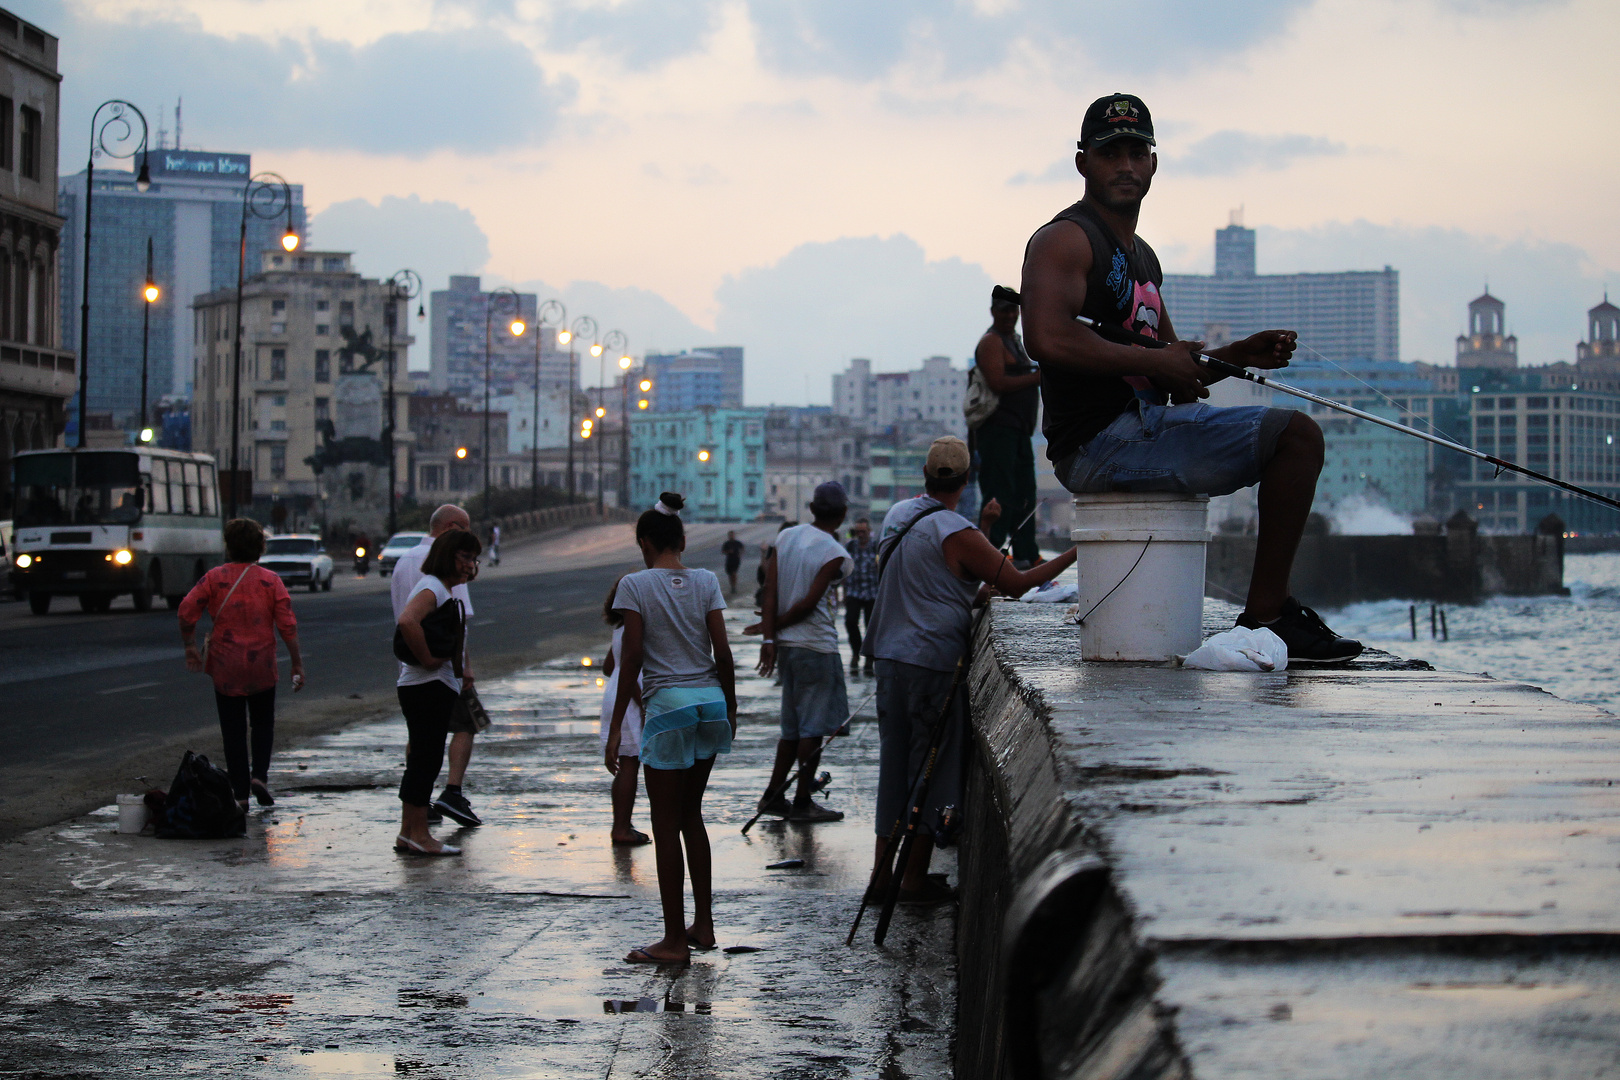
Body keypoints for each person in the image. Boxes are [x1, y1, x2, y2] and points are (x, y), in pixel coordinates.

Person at [1019, 92, 1360, 663]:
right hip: (1098, 442)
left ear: (1154, 163)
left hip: (1146, 424)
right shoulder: (1065, 240)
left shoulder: (1144, 257)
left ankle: (1270, 613)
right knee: (1297, 437)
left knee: (1295, 437)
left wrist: (1238, 354)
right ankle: (1269, 616)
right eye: (1110, 154)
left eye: (1137, 152)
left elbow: (1174, 370)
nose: (1125, 165)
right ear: (1083, 163)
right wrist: (1159, 362)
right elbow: (1046, 337)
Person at [865, 438, 1076, 904]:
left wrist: (974, 578)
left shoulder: (898, 515)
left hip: (889, 658)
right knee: (930, 771)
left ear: (925, 473)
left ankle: (882, 878)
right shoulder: (955, 531)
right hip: (931, 663)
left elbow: (936, 579)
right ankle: (913, 880)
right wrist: (1078, 552)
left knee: (894, 769)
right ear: (966, 480)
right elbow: (1018, 584)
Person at [605, 492, 736, 964]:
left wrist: (619, 726)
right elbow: (722, 653)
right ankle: (703, 924)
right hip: (709, 704)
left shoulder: (634, 586)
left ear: (644, 542)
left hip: (668, 710)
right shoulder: (705, 581)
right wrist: (731, 708)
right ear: (682, 538)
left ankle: (674, 940)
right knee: (691, 817)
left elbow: (632, 658)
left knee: (664, 825)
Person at [178, 518, 305, 810]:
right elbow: (288, 625)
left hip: (226, 665)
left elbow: (186, 611)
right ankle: (259, 775)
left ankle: (240, 793)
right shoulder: (270, 580)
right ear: (260, 547)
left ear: (229, 546)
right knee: (262, 723)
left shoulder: (213, 578)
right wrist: (296, 663)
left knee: (232, 729)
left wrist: (190, 647)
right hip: (262, 664)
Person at [752, 482, 854, 824]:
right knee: (812, 731)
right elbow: (809, 604)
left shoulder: (787, 537)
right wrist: (773, 628)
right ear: (842, 515)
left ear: (811, 509)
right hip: (817, 647)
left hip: (788, 650)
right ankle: (802, 801)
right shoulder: (836, 553)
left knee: (792, 730)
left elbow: (770, 589)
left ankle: (772, 795)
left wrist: (769, 636)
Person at [391, 504, 484, 828]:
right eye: (467, 557)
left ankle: (415, 827)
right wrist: (433, 660)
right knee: (427, 757)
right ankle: (423, 821)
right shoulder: (435, 586)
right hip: (427, 680)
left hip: (420, 676)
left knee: (423, 754)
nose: (471, 565)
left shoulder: (406, 563)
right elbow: (409, 620)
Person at [972, 285, 1043, 566]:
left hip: (1018, 430)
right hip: (999, 430)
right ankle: (989, 553)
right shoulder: (992, 341)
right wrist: (1036, 378)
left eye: (1013, 310)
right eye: (1004, 310)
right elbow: (997, 382)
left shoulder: (1014, 340)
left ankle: (1026, 553)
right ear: (993, 312)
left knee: (1024, 492)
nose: (1009, 315)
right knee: (999, 492)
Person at [599, 577, 649, 846]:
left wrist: (621, 673)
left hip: (615, 692)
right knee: (630, 763)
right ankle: (621, 827)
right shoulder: (633, 629)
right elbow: (629, 668)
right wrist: (642, 705)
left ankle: (622, 823)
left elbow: (609, 667)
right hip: (630, 695)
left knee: (624, 764)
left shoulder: (619, 628)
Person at [843, 518, 878, 677]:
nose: (861, 535)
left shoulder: (876, 547)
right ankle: (856, 653)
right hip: (854, 591)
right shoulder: (850, 546)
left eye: (863, 531)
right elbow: (843, 568)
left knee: (870, 626)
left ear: (868, 531)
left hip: (872, 592)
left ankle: (869, 657)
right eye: (858, 532)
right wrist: (843, 591)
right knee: (850, 621)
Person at [721, 530, 745, 595]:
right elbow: (723, 551)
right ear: (729, 536)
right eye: (730, 535)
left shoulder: (737, 543)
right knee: (730, 574)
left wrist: (740, 554)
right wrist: (728, 551)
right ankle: (732, 586)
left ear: (734, 535)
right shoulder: (726, 543)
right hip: (729, 560)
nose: (731, 536)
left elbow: (742, 548)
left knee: (734, 573)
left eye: (732, 535)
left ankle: (734, 587)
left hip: (736, 560)